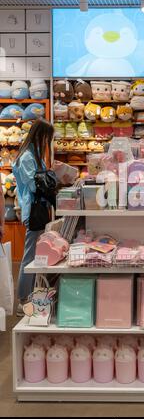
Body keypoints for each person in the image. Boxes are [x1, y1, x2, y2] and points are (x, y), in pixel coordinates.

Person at [13, 118, 54, 315]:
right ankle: (22, 299)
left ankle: (32, 296)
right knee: (30, 256)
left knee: (36, 254)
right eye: (47, 137)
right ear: (40, 135)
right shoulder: (28, 157)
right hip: (33, 210)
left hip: (39, 209)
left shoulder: (34, 154)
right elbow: (33, 185)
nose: (47, 142)